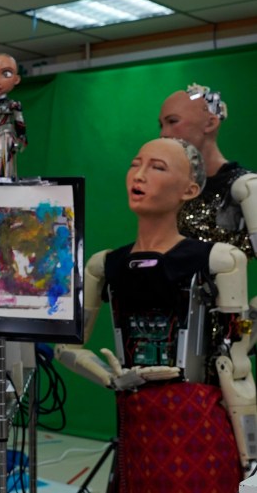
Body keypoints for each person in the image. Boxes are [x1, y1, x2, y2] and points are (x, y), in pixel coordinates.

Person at [56, 137, 256, 491]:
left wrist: (251, 459)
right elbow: (67, 345)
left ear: (189, 189)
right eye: (136, 163)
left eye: (158, 167)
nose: (140, 174)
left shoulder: (218, 260)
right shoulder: (104, 265)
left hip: (196, 424)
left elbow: (235, 365)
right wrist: (108, 377)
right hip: (134, 424)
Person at [158, 84, 256, 259]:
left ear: (210, 123)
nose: (163, 134)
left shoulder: (244, 187)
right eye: (161, 125)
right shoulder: (171, 186)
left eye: (173, 121)